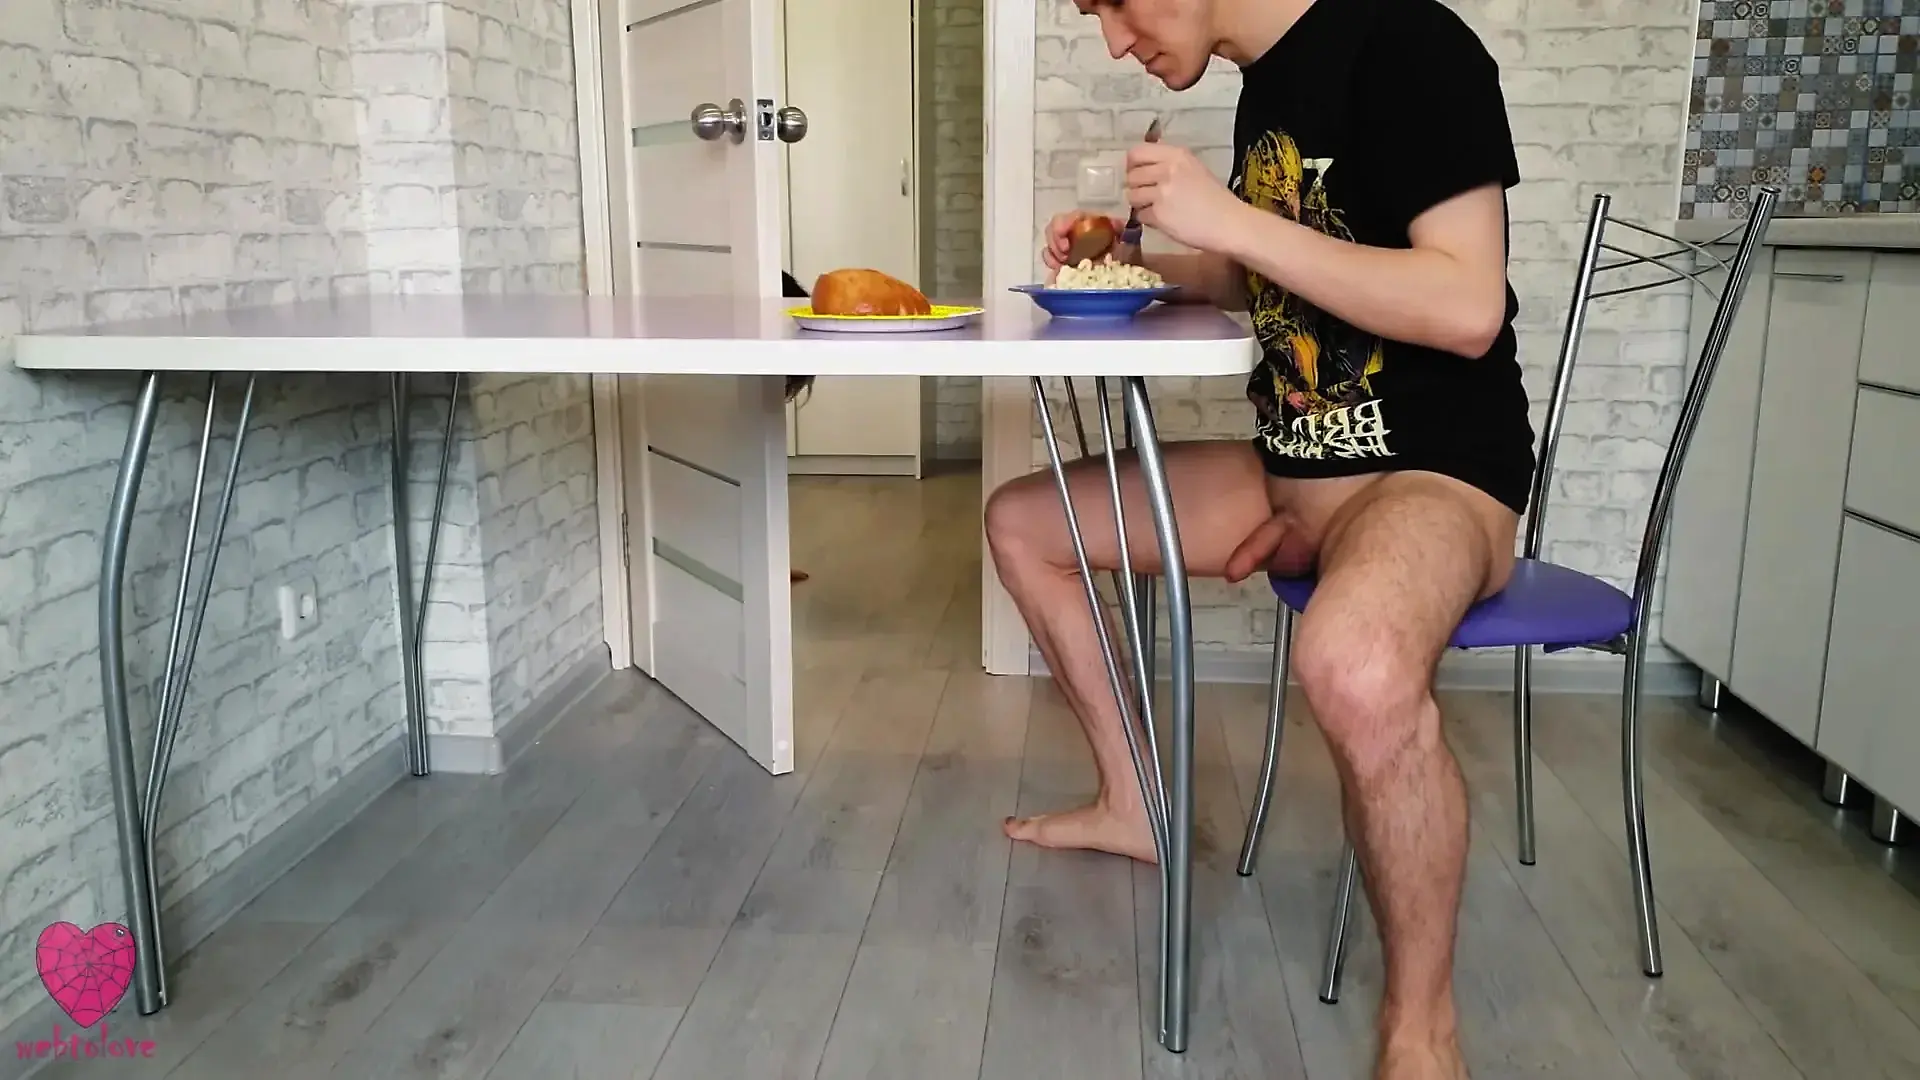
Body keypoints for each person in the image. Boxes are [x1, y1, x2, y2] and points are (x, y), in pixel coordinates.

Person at [982, 2, 1531, 1077]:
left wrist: (1228, 218)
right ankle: (1137, 805)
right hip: (1292, 472)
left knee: (1355, 663)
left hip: (1426, 478)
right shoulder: (1269, 82)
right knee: (1024, 523)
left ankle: (1421, 1033)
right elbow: (1279, 275)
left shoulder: (1410, 43)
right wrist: (1140, 265)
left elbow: (1468, 303)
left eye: (1112, 2)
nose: (1113, 41)